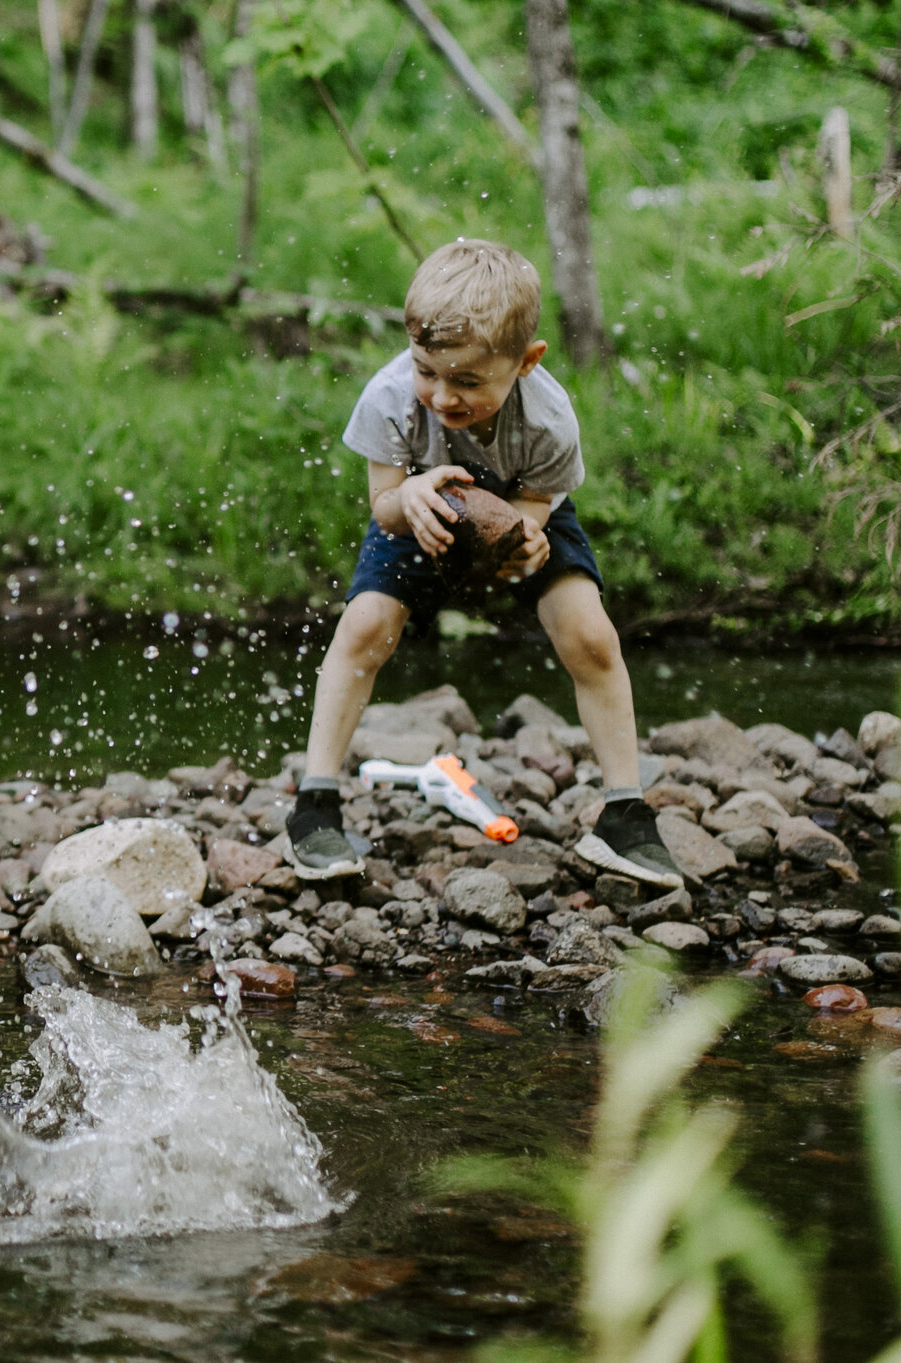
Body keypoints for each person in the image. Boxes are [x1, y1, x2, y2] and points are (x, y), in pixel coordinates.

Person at [284, 238, 679, 890]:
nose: (442, 396)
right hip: (419, 514)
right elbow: (382, 505)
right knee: (363, 627)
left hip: (520, 511)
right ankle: (315, 804)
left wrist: (525, 537)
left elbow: (533, 508)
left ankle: (625, 811)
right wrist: (408, 495)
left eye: (468, 380)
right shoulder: (389, 397)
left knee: (589, 633)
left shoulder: (549, 420)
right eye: (427, 371)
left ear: (526, 362)